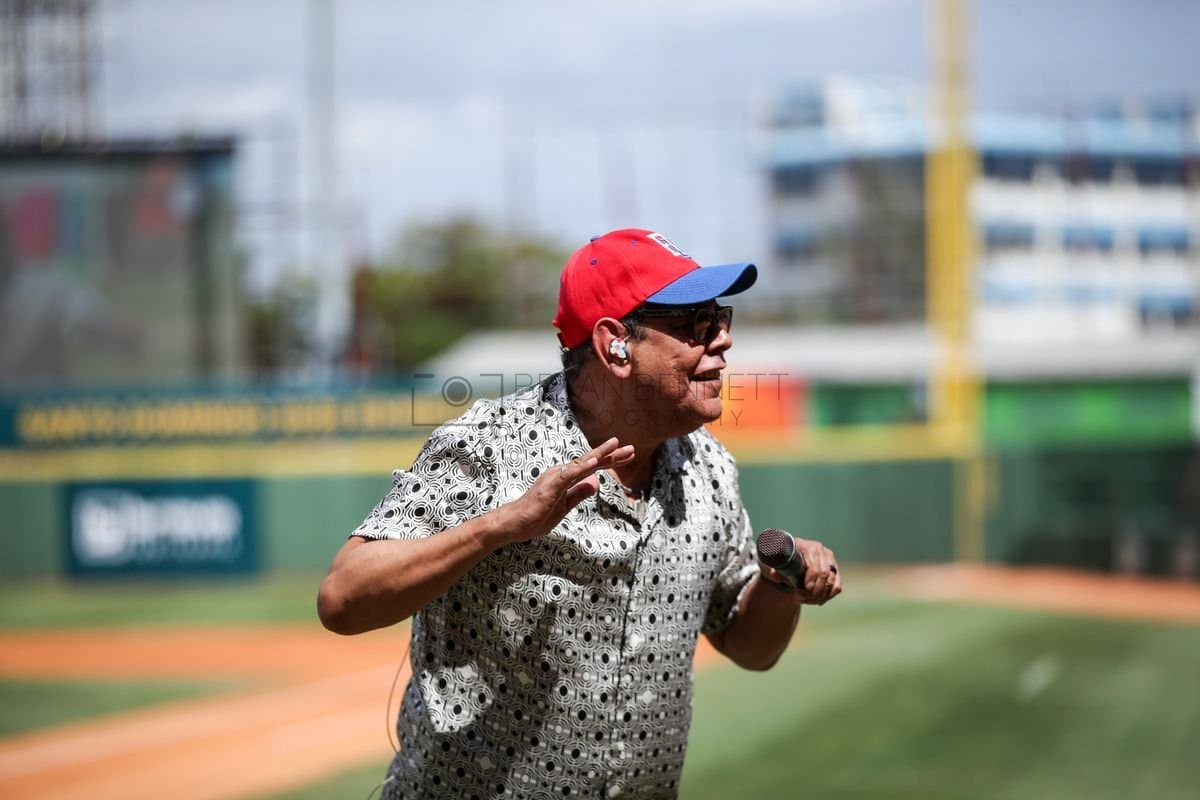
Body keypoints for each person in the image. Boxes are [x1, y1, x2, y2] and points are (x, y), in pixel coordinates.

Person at [318, 228, 842, 799]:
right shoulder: (493, 446)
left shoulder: (708, 468)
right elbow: (343, 597)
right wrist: (500, 527)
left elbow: (750, 646)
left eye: (721, 319)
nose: (721, 341)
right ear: (616, 343)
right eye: (696, 324)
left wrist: (780, 582)